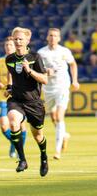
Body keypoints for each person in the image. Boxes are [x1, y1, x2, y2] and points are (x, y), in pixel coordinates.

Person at [4, 27, 49, 176]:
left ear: (27, 40)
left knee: (38, 135)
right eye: (15, 39)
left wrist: (29, 70)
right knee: (13, 121)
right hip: (16, 100)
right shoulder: (9, 59)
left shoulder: (35, 57)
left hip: (34, 103)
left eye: (20, 39)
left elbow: (45, 79)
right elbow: (11, 76)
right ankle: (22, 159)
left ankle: (43, 157)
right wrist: (9, 88)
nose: (17, 41)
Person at [38, 28, 79, 160]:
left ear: (59, 38)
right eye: (50, 35)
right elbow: (37, 69)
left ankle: (57, 151)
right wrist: (45, 71)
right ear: (47, 37)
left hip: (62, 86)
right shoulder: (41, 52)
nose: (53, 38)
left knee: (60, 117)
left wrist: (75, 80)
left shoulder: (64, 51)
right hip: (48, 88)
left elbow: (73, 64)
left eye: (55, 36)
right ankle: (64, 135)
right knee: (53, 118)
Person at [0, 36, 27, 158]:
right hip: (3, 97)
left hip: (17, 97)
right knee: (4, 126)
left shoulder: (20, 60)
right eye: (6, 45)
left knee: (20, 124)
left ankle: (19, 151)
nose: (8, 47)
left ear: (15, 46)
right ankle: (15, 143)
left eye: (11, 45)